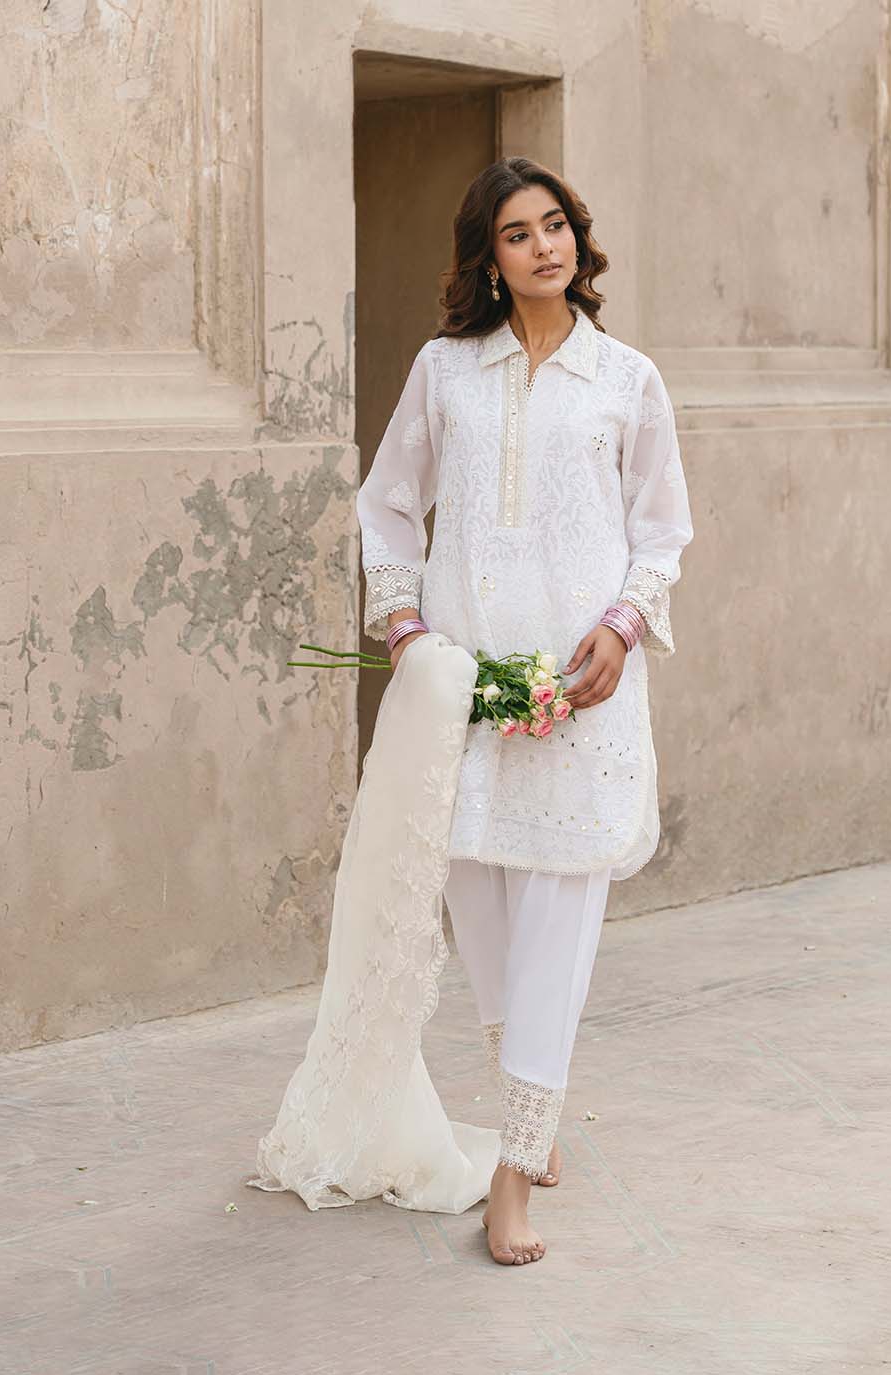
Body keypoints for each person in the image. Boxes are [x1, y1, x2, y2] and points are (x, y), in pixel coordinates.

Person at [355, 155, 694, 1266]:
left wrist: (624, 626)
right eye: (517, 233)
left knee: (557, 918)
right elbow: (388, 502)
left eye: (555, 225)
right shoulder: (446, 372)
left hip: (582, 693)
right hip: (466, 692)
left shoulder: (625, 378)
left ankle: (513, 1165)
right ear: (488, 259)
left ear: (575, 240)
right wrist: (405, 629)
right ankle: (527, 1115)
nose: (543, 246)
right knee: (485, 915)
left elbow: (660, 529)